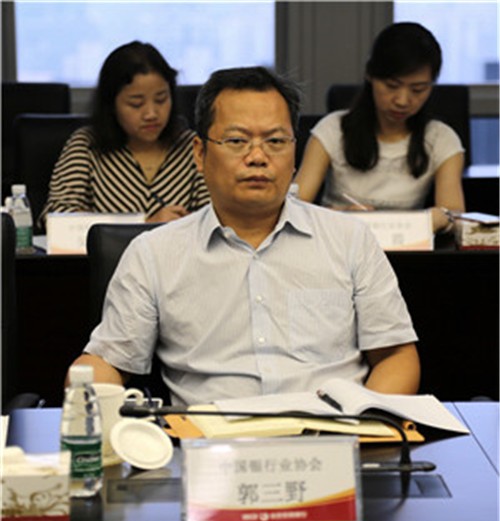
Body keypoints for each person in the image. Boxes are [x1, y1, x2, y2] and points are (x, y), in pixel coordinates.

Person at [66, 66, 420, 406]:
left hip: (332, 436)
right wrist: (88, 391)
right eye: (237, 141)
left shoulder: (350, 240)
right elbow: (107, 361)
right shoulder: (154, 253)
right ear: (200, 154)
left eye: (276, 141)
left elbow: (396, 356)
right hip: (209, 438)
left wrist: (363, 424)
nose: (257, 157)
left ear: (294, 152)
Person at [295, 22, 465, 233]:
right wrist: (340, 215)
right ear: (370, 75)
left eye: (418, 89)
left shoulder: (442, 139)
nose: (402, 100)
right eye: (392, 86)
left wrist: (440, 218)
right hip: (339, 242)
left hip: (410, 247)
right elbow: (294, 207)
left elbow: (454, 214)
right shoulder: (332, 131)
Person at [40, 41, 210, 228]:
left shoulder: (192, 147)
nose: (151, 114)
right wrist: (144, 224)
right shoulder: (87, 145)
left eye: (161, 100)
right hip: (105, 250)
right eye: (136, 104)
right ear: (111, 105)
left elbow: (219, 216)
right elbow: (57, 218)